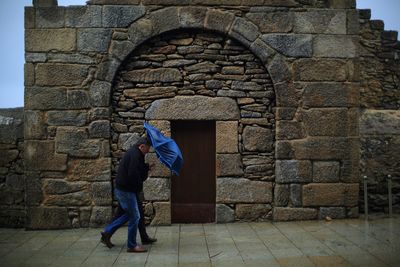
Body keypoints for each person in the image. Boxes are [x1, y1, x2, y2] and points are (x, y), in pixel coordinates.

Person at [100, 137, 156, 253]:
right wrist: (140, 182)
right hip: (127, 191)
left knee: (131, 214)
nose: (148, 150)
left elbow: (137, 169)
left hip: (126, 189)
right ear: (142, 146)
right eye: (147, 148)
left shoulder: (135, 154)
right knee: (135, 216)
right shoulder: (135, 155)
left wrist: (146, 167)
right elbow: (133, 173)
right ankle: (131, 245)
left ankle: (107, 232)